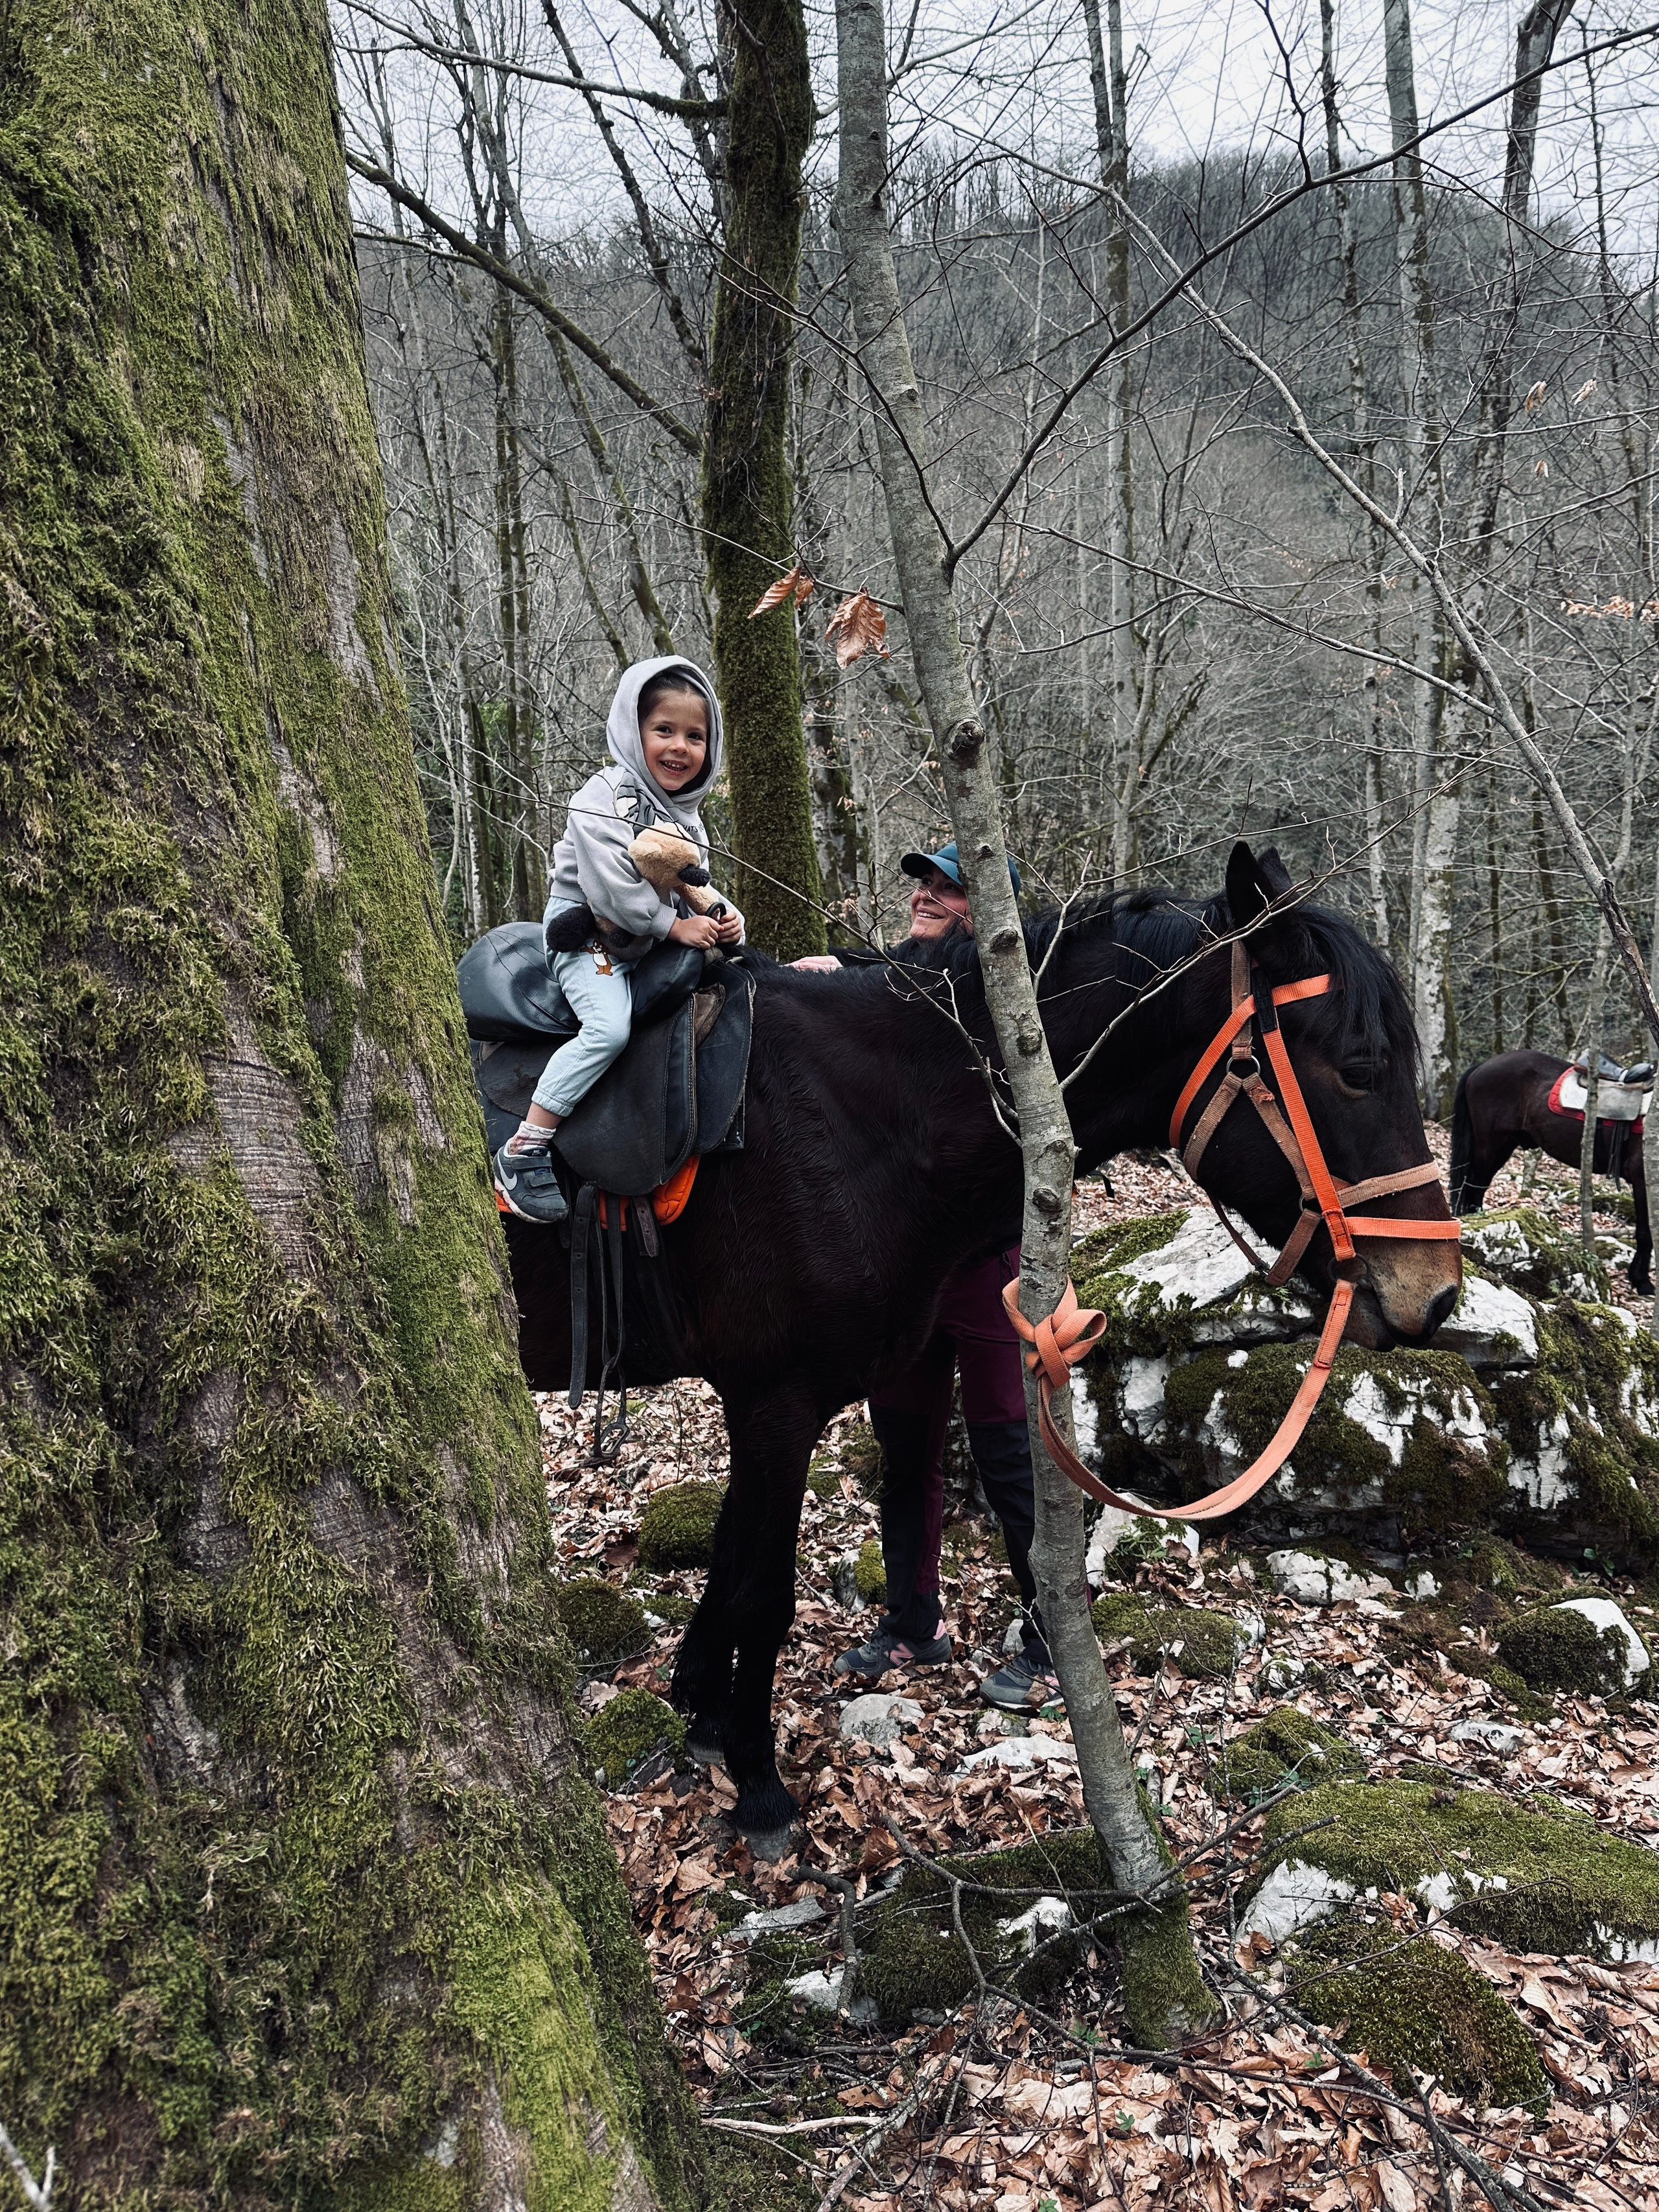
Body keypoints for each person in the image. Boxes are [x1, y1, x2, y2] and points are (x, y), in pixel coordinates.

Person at [797, 843, 1058, 1712]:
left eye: (950, 888)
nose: (927, 895)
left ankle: (1056, 1641)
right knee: (906, 1450)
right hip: (908, 1268)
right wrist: (830, 974)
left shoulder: (1015, 1003)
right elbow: (880, 988)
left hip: (989, 1264)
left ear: (989, 909)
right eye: (925, 883)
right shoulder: (888, 982)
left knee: (1009, 1453)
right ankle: (913, 1623)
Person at [494, 658, 743, 1224]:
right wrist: (674, 927)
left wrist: (729, 920)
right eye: (664, 730)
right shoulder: (603, 793)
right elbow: (608, 884)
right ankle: (525, 1147)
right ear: (634, 731)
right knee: (609, 1029)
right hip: (590, 936)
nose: (679, 747)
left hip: (644, 944)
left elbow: (694, 884)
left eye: (695, 735)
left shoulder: (688, 818)